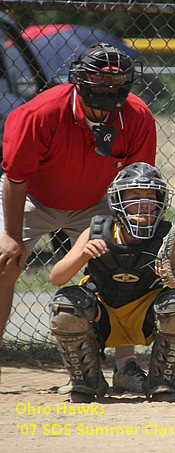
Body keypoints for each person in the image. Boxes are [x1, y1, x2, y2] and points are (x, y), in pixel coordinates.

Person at [0, 43, 157, 393]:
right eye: (99, 81)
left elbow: (136, 183)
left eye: (116, 83)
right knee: (3, 263)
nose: (108, 90)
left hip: (96, 200)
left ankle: (125, 366)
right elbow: (16, 178)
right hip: (33, 198)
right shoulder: (41, 113)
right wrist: (10, 235)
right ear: (79, 80)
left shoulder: (135, 115)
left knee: (120, 265)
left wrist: (127, 236)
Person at [49, 162, 175, 403]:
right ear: (118, 200)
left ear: (160, 202)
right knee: (68, 306)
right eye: (134, 196)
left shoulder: (166, 233)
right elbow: (56, 277)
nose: (143, 204)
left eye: (150, 197)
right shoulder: (97, 231)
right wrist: (83, 254)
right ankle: (88, 381)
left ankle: (162, 382)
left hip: (145, 316)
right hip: (103, 315)